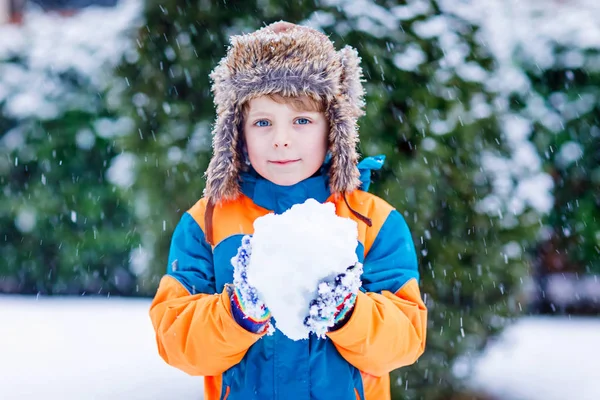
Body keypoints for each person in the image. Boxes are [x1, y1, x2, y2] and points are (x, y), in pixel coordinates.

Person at [149, 21, 427, 400]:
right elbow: (176, 341)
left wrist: (349, 313)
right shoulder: (206, 223)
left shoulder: (373, 221)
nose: (281, 139)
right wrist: (236, 314)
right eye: (263, 122)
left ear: (333, 129)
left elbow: (405, 339)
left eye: (301, 120)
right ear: (236, 133)